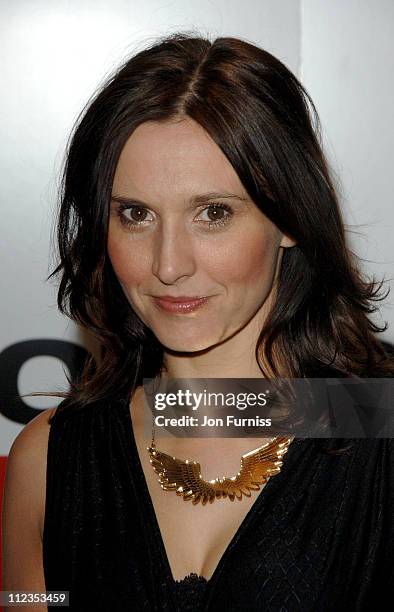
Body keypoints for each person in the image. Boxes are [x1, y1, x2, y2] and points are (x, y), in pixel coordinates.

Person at [2, 31, 393, 612]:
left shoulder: (377, 432)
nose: (168, 264)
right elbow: (34, 599)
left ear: (290, 217)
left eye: (213, 213)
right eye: (135, 214)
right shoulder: (51, 459)